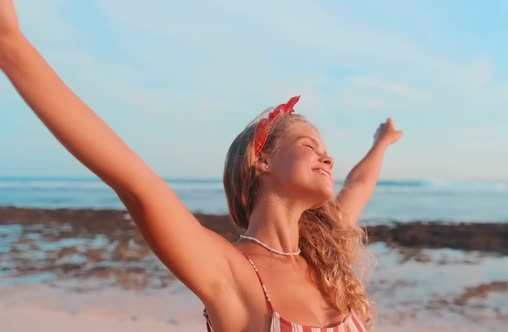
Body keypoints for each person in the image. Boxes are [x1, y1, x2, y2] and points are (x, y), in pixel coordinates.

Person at [0, 1, 404, 331]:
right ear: (262, 160)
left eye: (325, 149)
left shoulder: (323, 253)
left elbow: (358, 186)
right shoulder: (233, 272)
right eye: (309, 145)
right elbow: (135, 183)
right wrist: (12, 45)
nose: (327, 157)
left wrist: (381, 143)